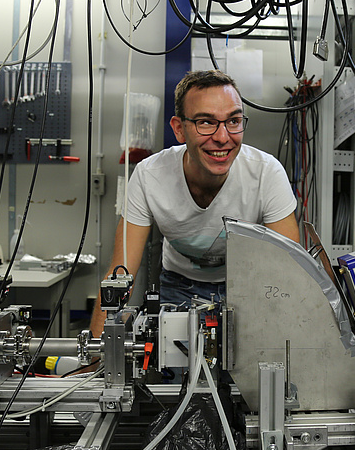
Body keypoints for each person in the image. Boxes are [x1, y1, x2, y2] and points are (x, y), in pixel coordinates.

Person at [89, 70, 300, 336]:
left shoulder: (266, 173)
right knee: (175, 370)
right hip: (179, 285)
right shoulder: (149, 176)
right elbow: (120, 276)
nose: (223, 137)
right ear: (179, 129)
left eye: (233, 121)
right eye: (205, 122)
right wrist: (96, 361)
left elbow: (291, 271)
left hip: (248, 286)